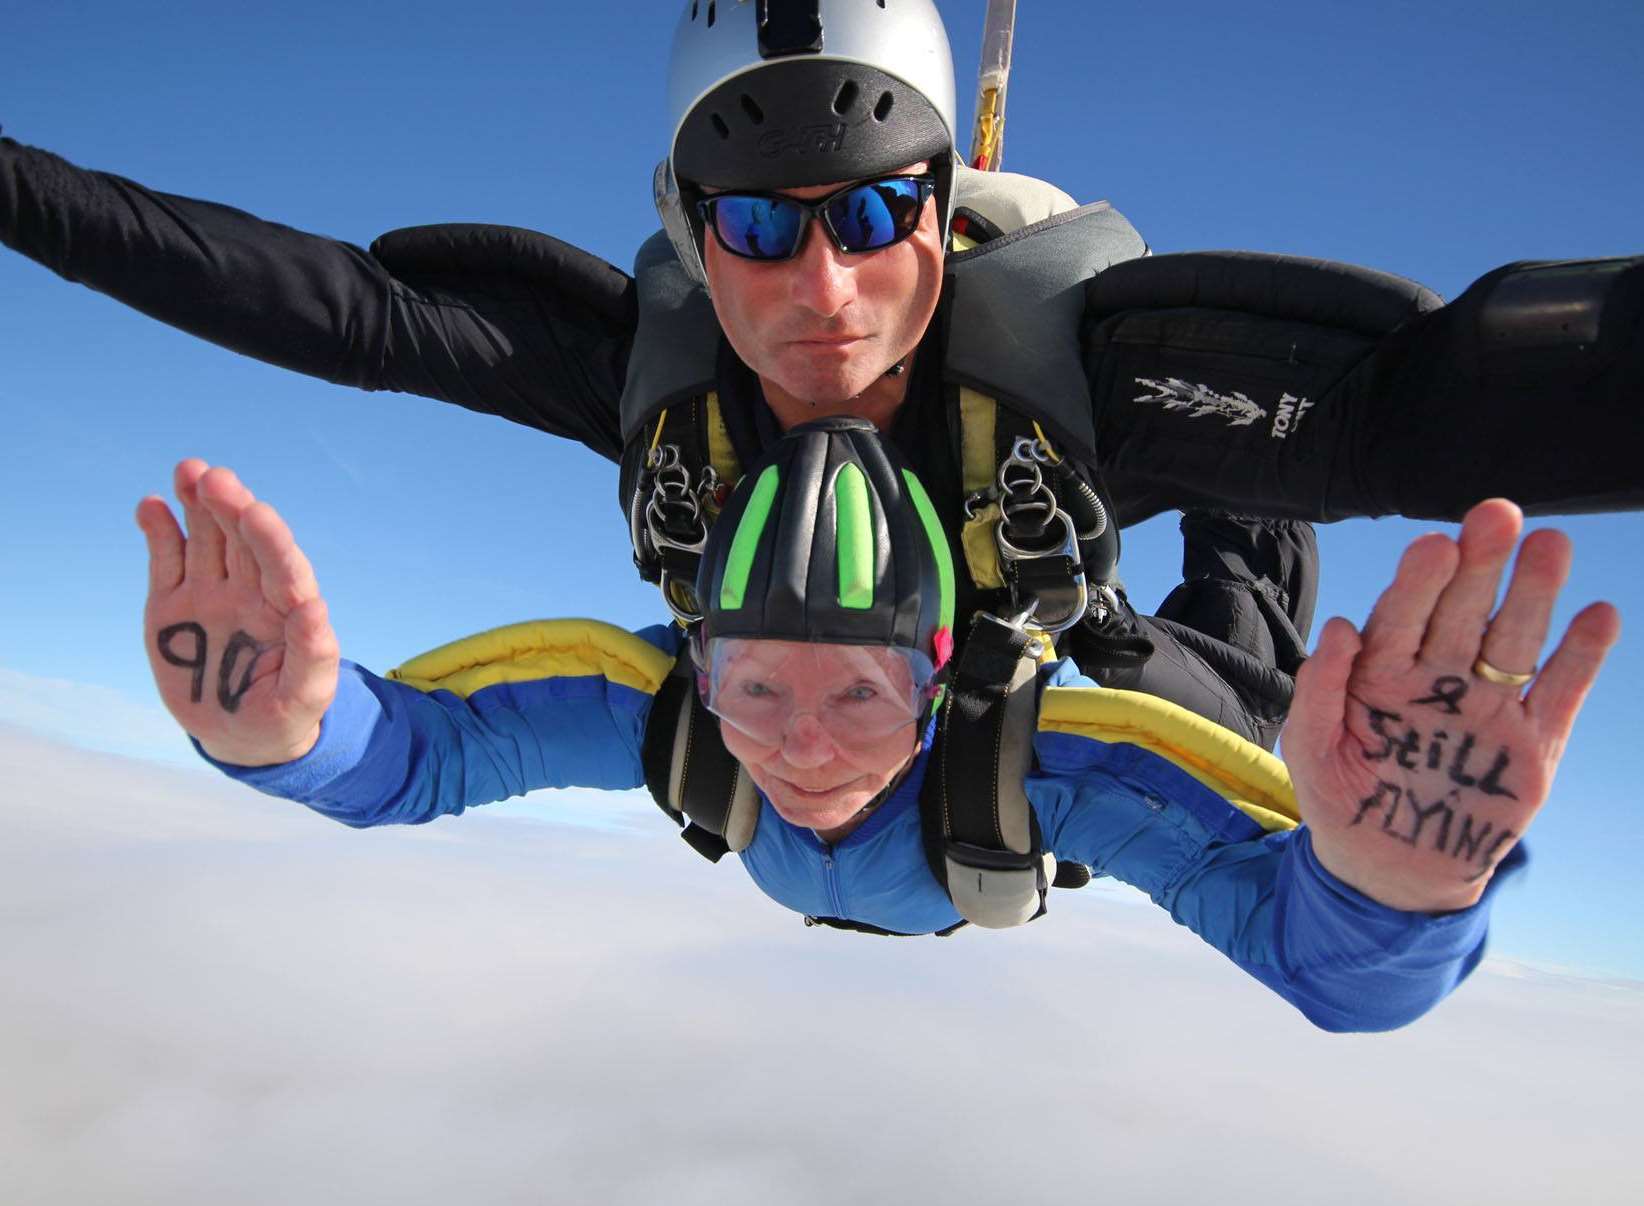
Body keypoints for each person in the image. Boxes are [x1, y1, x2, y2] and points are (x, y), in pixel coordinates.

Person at [5, 1, 1639, 745]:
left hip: (1070, 558)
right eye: (762, 232)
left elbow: (1430, 405)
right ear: (687, 233)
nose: (827, 290)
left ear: (937, 207)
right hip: (842, 653)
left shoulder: (1076, 383)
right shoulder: (654, 381)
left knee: (1250, 724)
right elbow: (333, 308)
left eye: (873, 214)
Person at [136, 419, 1620, 1032]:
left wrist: (1391, 885)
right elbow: (424, 751)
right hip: (969, 797)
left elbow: (1318, 961)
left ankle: (1239, 461)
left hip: (1080, 698)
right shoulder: (669, 715)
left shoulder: (1045, 764)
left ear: (939, 676)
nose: (801, 742)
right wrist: (291, 732)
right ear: (696, 662)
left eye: (862, 692)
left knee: (1234, 666)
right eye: (755, 686)